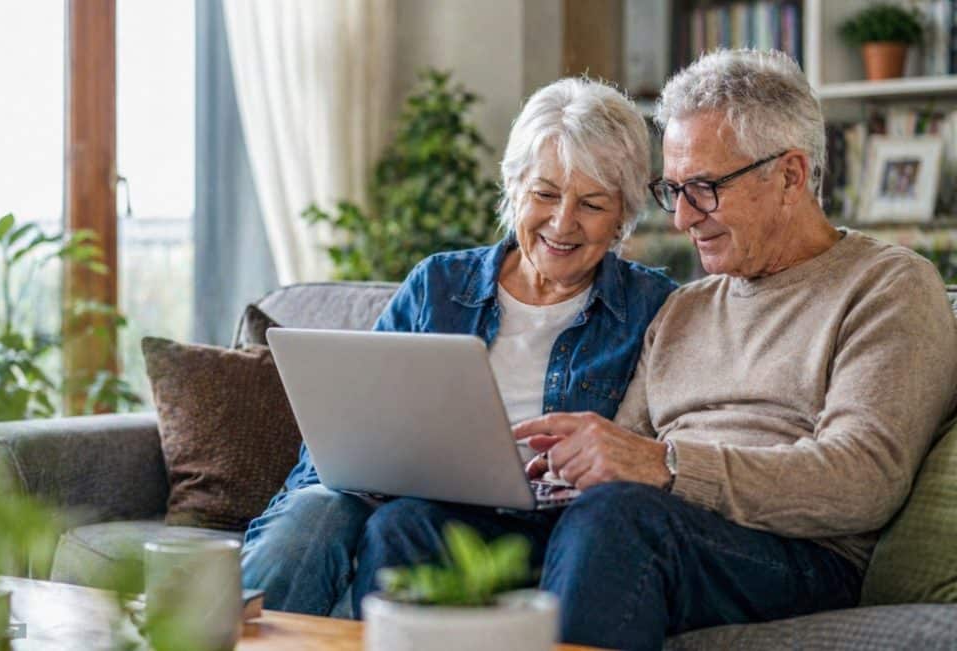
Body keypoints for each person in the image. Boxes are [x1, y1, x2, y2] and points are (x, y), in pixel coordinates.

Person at [351, 49, 957, 650]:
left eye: (705, 188)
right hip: (643, 528)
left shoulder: (886, 286)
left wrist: (667, 466)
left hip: (795, 553)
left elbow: (862, 480)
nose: (682, 218)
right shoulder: (683, 308)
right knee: (409, 528)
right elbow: (623, 452)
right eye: (675, 191)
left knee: (618, 519)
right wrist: (564, 469)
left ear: (790, 176)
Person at [240, 77, 677, 615]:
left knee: (396, 527)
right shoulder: (439, 285)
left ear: (623, 215)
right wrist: (346, 479)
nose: (563, 222)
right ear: (513, 187)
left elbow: (663, 453)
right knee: (318, 514)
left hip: (552, 529)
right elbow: (349, 429)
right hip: (424, 507)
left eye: (591, 203)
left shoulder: (652, 306)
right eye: (544, 194)